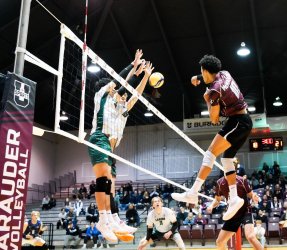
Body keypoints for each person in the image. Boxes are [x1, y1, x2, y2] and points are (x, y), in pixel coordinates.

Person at [172, 54, 253, 221]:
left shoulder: (215, 90)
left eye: (201, 71)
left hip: (238, 121)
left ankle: (193, 193)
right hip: (242, 120)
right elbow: (211, 77)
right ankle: (234, 198)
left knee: (210, 153)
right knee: (227, 159)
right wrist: (198, 78)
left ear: (205, 70)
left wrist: (207, 99)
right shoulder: (225, 73)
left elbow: (214, 119)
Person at [88, 49, 152, 242]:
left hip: (111, 148)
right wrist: (133, 66)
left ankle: (114, 218)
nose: (122, 94)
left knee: (112, 186)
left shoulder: (120, 109)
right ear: (110, 89)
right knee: (104, 180)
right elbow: (121, 81)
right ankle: (103, 219)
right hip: (99, 138)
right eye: (117, 91)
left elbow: (136, 94)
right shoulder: (102, 95)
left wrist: (146, 77)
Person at [206, 173, 263, 250]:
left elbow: (250, 194)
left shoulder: (241, 180)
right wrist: (211, 206)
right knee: (219, 242)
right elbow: (217, 199)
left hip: (245, 211)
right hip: (232, 213)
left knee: (251, 237)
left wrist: (254, 196)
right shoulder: (220, 182)